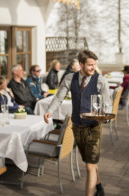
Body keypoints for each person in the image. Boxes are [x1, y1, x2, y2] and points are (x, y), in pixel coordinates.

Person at [44, 50, 110, 196]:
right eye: (90, 65)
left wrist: (105, 117)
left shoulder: (101, 81)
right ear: (81, 64)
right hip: (77, 127)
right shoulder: (69, 78)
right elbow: (59, 97)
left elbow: (107, 105)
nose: (93, 68)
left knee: (89, 166)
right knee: (90, 162)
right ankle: (99, 188)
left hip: (93, 127)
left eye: (95, 65)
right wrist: (50, 110)